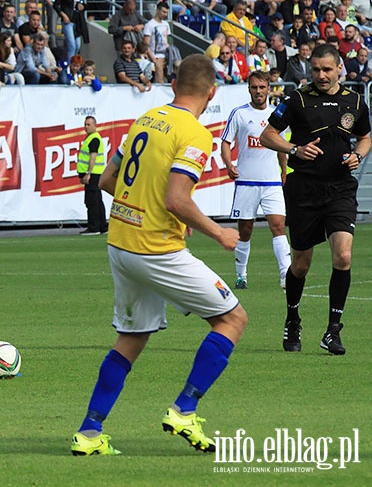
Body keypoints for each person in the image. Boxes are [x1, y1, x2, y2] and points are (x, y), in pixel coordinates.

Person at [70, 54, 246, 456]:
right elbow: (177, 199)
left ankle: (89, 433)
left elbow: (109, 178)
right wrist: (220, 233)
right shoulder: (197, 133)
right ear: (212, 92)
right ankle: (184, 408)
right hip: (155, 248)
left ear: (172, 86)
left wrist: (141, 208)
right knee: (232, 318)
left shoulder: (145, 119)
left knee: (131, 338)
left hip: (121, 243)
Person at [259, 43, 371, 355]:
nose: (321, 75)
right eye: (316, 70)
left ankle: (333, 330)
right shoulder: (297, 99)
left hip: (339, 188)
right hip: (304, 188)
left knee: (344, 257)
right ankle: (292, 319)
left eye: (326, 70)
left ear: (339, 69)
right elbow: (268, 135)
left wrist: (357, 155)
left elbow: (365, 137)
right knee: (301, 264)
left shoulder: (355, 101)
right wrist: (294, 149)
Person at [220, 71, 291, 291]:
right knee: (245, 230)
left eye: (262, 87)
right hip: (247, 182)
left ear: (269, 89)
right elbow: (225, 142)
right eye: (254, 87)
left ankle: (286, 276)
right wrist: (228, 163)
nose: (258, 91)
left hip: (271, 182)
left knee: (278, 226)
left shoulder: (277, 116)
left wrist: (283, 169)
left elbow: (281, 145)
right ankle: (241, 276)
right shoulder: (239, 114)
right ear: (249, 89)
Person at [78, 116, 108, 236]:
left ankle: (94, 227)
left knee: (92, 201)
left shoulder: (94, 139)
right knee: (97, 200)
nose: (86, 127)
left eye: (89, 124)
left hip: (93, 174)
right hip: (96, 174)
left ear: (95, 125)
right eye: (85, 124)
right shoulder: (91, 138)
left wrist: (88, 173)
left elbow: (93, 157)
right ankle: (103, 226)